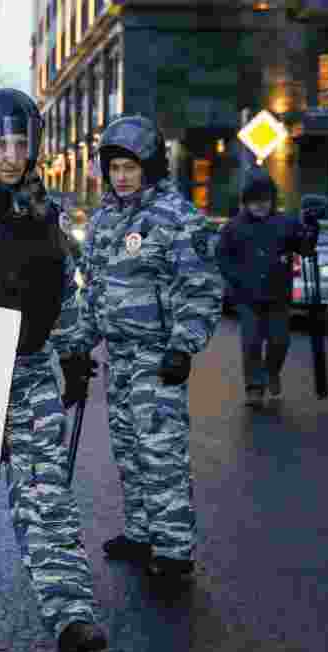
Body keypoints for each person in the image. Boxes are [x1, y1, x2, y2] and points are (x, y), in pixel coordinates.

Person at [0, 88, 108, 652]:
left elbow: (61, 289)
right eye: (1, 143)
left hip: (33, 367)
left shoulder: (45, 212)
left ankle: (71, 614)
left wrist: (72, 350)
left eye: (21, 142)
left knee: (45, 496)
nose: (12, 155)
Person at [62, 113, 223, 582]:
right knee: (129, 448)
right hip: (120, 356)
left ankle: (174, 548)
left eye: (131, 167)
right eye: (115, 168)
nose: (122, 176)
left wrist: (184, 346)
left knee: (160, 452)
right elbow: (92, 290)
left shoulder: (177, 218)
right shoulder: (105, 220)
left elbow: (202, 288)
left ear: (150, 167)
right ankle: (141, 532)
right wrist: (78, 344)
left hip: (158, 356)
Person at [216, 166, 320, 407]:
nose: (260, 205)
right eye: (254, 200)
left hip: (278, 296)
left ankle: (271, 372)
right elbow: (222, 257)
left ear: (272, 200)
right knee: (251, 342)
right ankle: (254, 387)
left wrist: (313, 229)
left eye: (264, 200)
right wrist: (237, 280)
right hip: (247, 297)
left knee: (280, 341)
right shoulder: (234, 227)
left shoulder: (286, 224)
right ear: (245, 202)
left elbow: (305, 249)